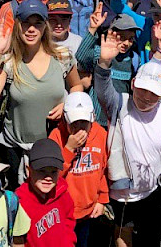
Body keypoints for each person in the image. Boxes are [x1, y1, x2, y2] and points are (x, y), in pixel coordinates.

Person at [95, 34, 161, 247]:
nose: (146, 97)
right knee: (123, 237)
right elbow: (102, 89)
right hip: (124, 193)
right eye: (142, 89)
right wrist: (104, 62)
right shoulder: (119, 105)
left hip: (156, 189)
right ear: (133, 84)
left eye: (153, 93)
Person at [0, 0, 83, 187]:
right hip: (16, 152)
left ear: (45, 26)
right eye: (26, 23)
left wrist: (67, 104)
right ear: (18, 25)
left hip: (53, 149)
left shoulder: (62, 58)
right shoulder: (10, 62)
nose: (31, 29)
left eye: (37, 23)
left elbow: (77, 87)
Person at [48, 92, 110, 247]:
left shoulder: (101, 135)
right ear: (65, 120)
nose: (79, 128)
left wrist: (102, 199)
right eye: (74, 123)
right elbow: (51, 175)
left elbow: (102, 169)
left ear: (92, 119)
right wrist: (68, 149)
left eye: (84, 122)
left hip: (87, 211)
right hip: (61, 212)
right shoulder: (56, 136)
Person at [15, 139, 78, 247]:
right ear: (28, 170)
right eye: (41, 171)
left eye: (53, 172)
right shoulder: (20, 203)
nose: (48, 177)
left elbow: (69, 221)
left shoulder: (62, 191)